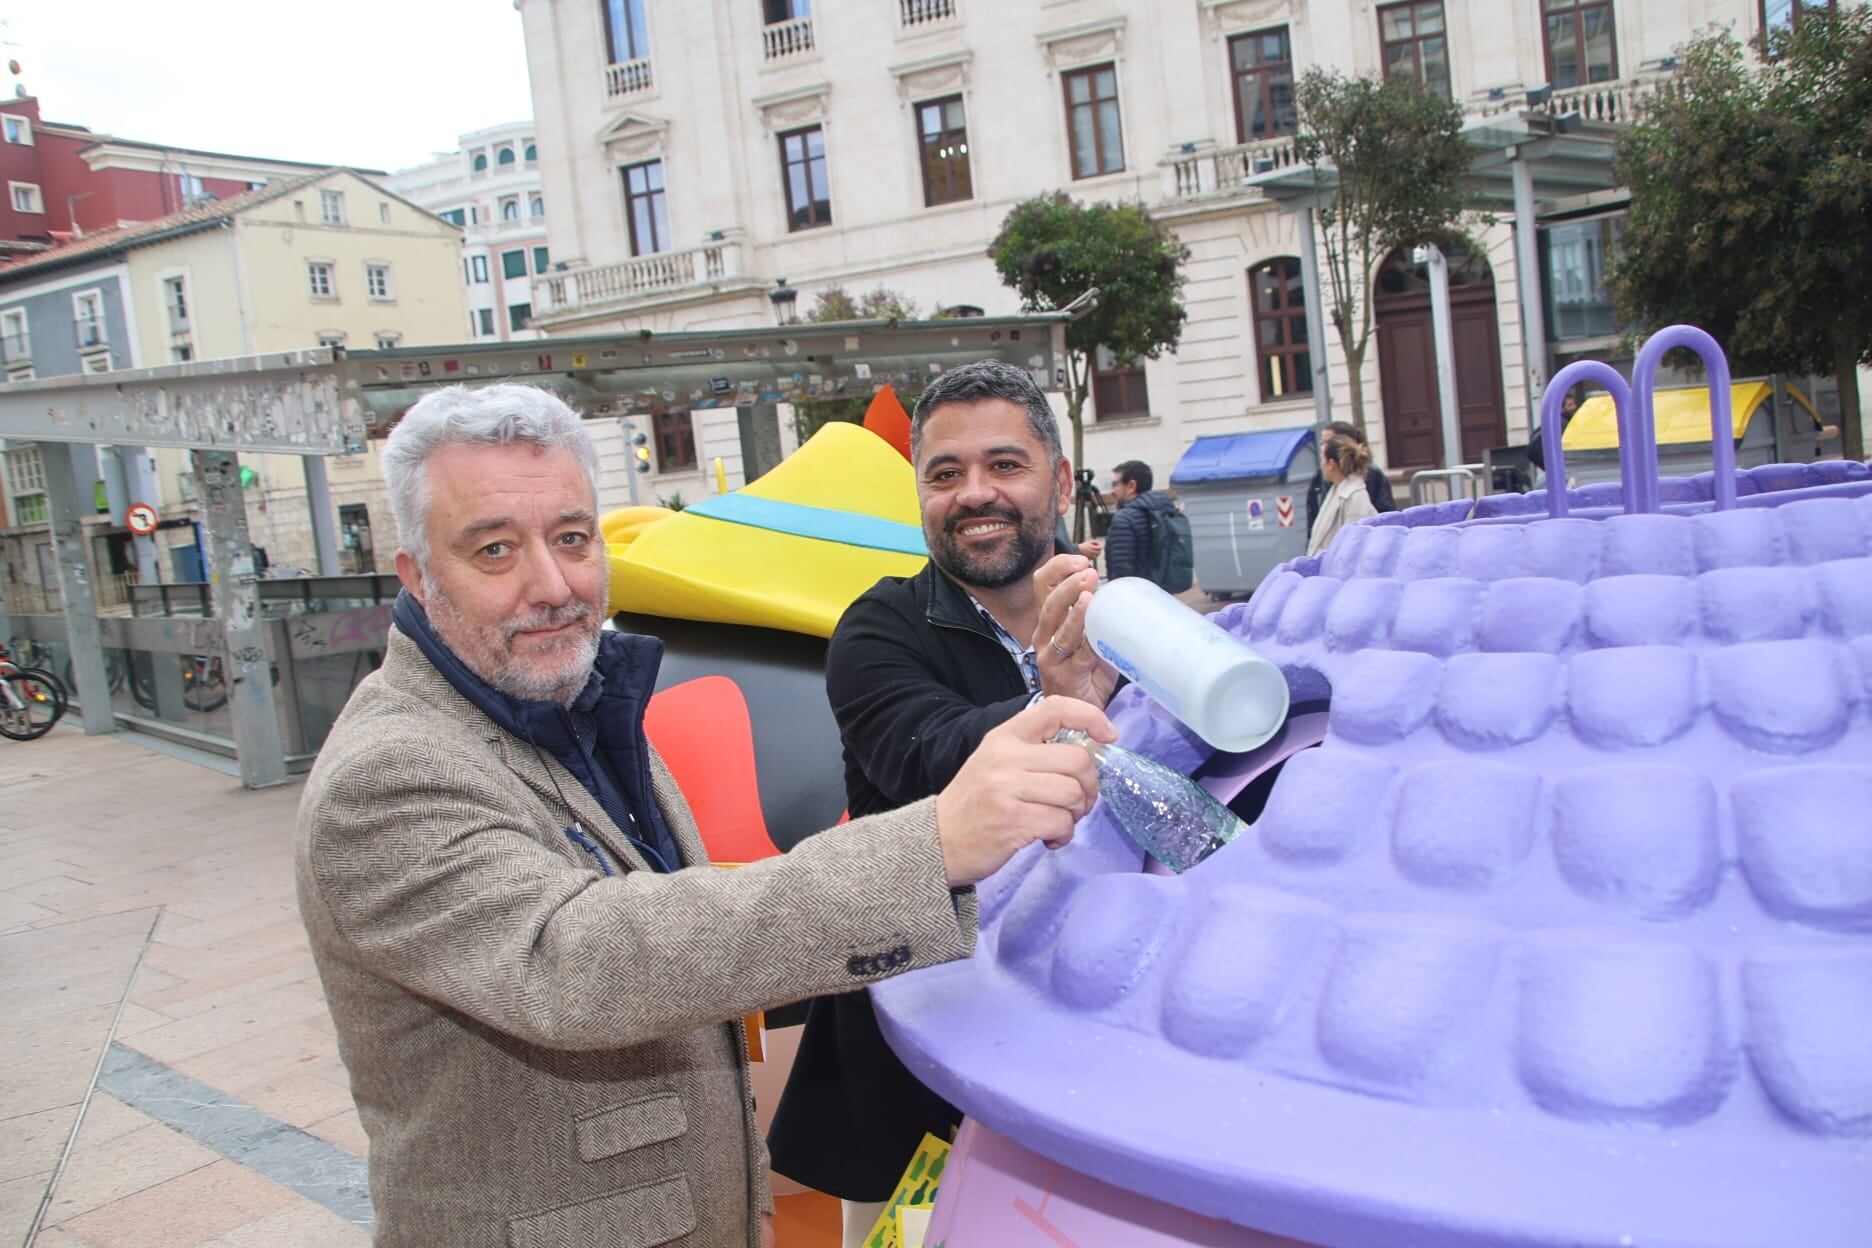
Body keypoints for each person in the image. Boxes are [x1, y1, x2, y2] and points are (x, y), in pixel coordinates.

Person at [294, 383, 1114, 1248]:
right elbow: (580, 961)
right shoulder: (388, 773)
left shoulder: (571, 701)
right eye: (494, 550)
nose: (553, 585)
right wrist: (935, 844)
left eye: (572, 538)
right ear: (417, 575)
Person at [768, 360, 1119, 1246]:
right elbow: (924, 755)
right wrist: (1056, 702)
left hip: (1092, 1037)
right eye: (945, 473)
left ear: (1060, 482)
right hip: (916, 1057)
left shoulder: (1130, 621)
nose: (974, 494)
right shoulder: (877, 628)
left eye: (1004, 465)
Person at [1101, 460, 1189, 589]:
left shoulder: (1124, 519)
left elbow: (1121, 571)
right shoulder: (1166, 510)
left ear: (1131, 486)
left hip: (1136, 593)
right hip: (1162, 591)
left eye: (1115, 484)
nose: (1113, 491)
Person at [1304, 421, 1396, 531]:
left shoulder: (1366, 481)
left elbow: (1386, 517)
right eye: (1321, 443)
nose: (1323, 448)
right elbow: (1314, 519)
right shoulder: (1321, 477)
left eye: (1327, 443)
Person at [1308, 436, 1380, 556]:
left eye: (1322, 459)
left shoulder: (1354, 497)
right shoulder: (1336, 491)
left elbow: (1355, 546)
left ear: (1331, 464)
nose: (1321, 465)